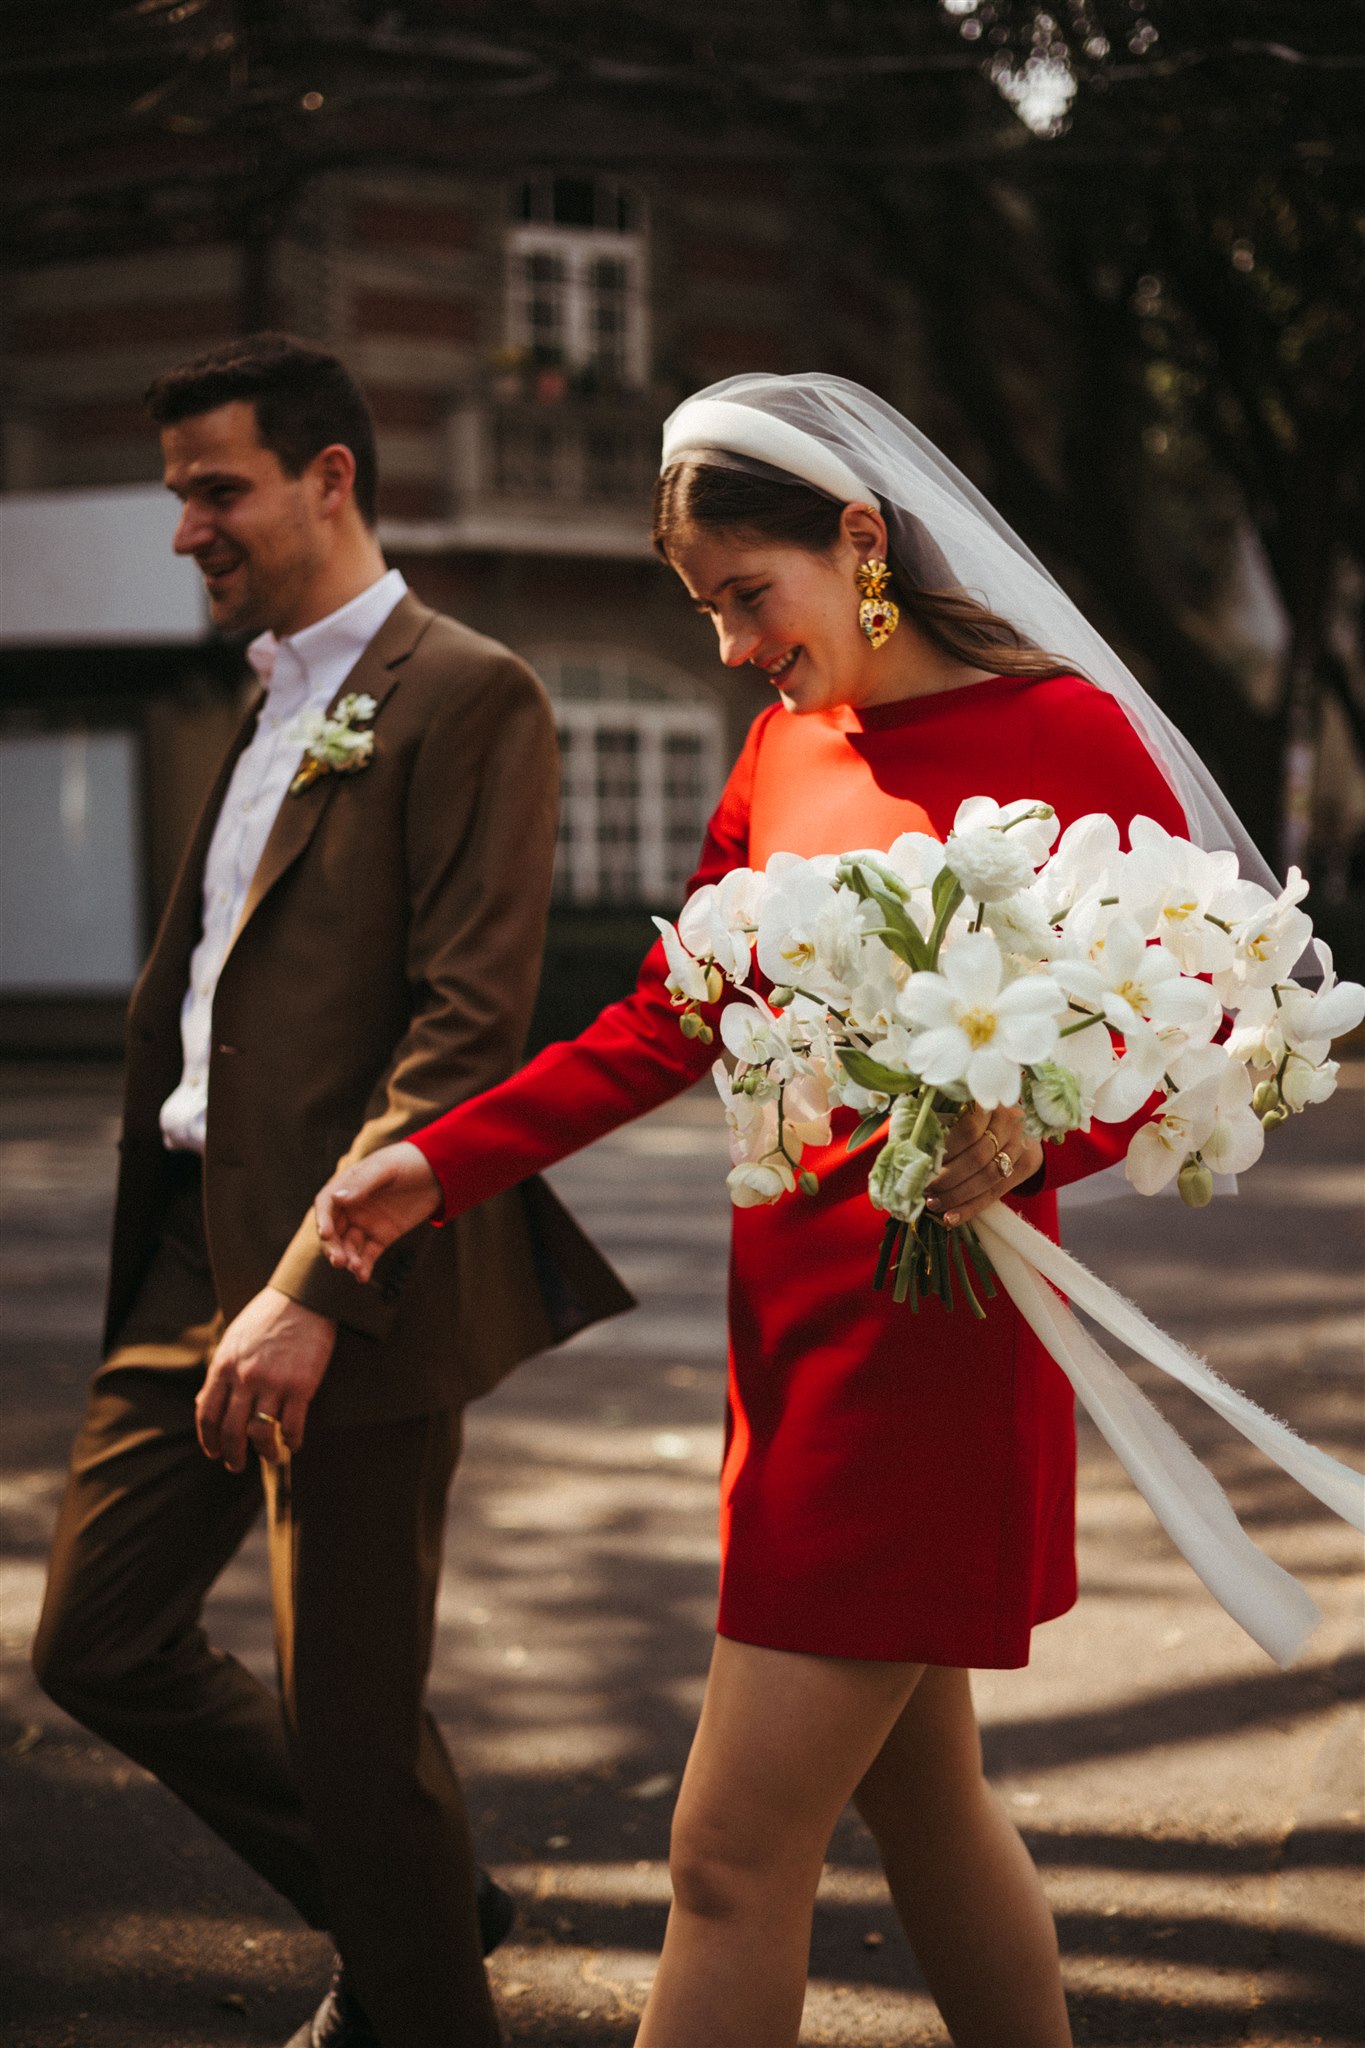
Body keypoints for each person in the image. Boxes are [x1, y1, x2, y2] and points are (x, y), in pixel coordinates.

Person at [311, 373, 1273, 2048]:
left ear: (858, 538)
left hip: (941, 1353)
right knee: (922, 1807)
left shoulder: (1067, 736)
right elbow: (668, 1016)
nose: (731, 646)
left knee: (725, 1861)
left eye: (746, 598)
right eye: (704, 612)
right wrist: (439, 1160)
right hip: (794, 1341)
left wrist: (1028, 1139)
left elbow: (1184, 1023)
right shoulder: (777, 752)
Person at [30, 332, 631, 2048]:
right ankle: (418, 1908)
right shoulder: (275, 690)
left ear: (328, 476)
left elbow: (465, 1028)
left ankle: (415, 1988)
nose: (183, 531)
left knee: (357, 1728)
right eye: (175, 496)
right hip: (181, 1258)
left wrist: (312, 1286)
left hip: (349, 1276)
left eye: (214, 490)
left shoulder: (471, 690)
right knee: (100, 1643)